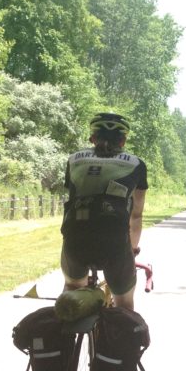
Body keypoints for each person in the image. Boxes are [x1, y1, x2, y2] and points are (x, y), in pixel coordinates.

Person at [60, 112, 147, 314]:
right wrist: (132, 249)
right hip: (115, 243)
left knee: (71, 291)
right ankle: (120, 342)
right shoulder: (136, 164)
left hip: (75, 238)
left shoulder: (74, 160)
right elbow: (136, 215)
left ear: (92, 138)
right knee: (123, 304)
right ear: (123, 141)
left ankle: (64, 340)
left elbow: (75, 196)